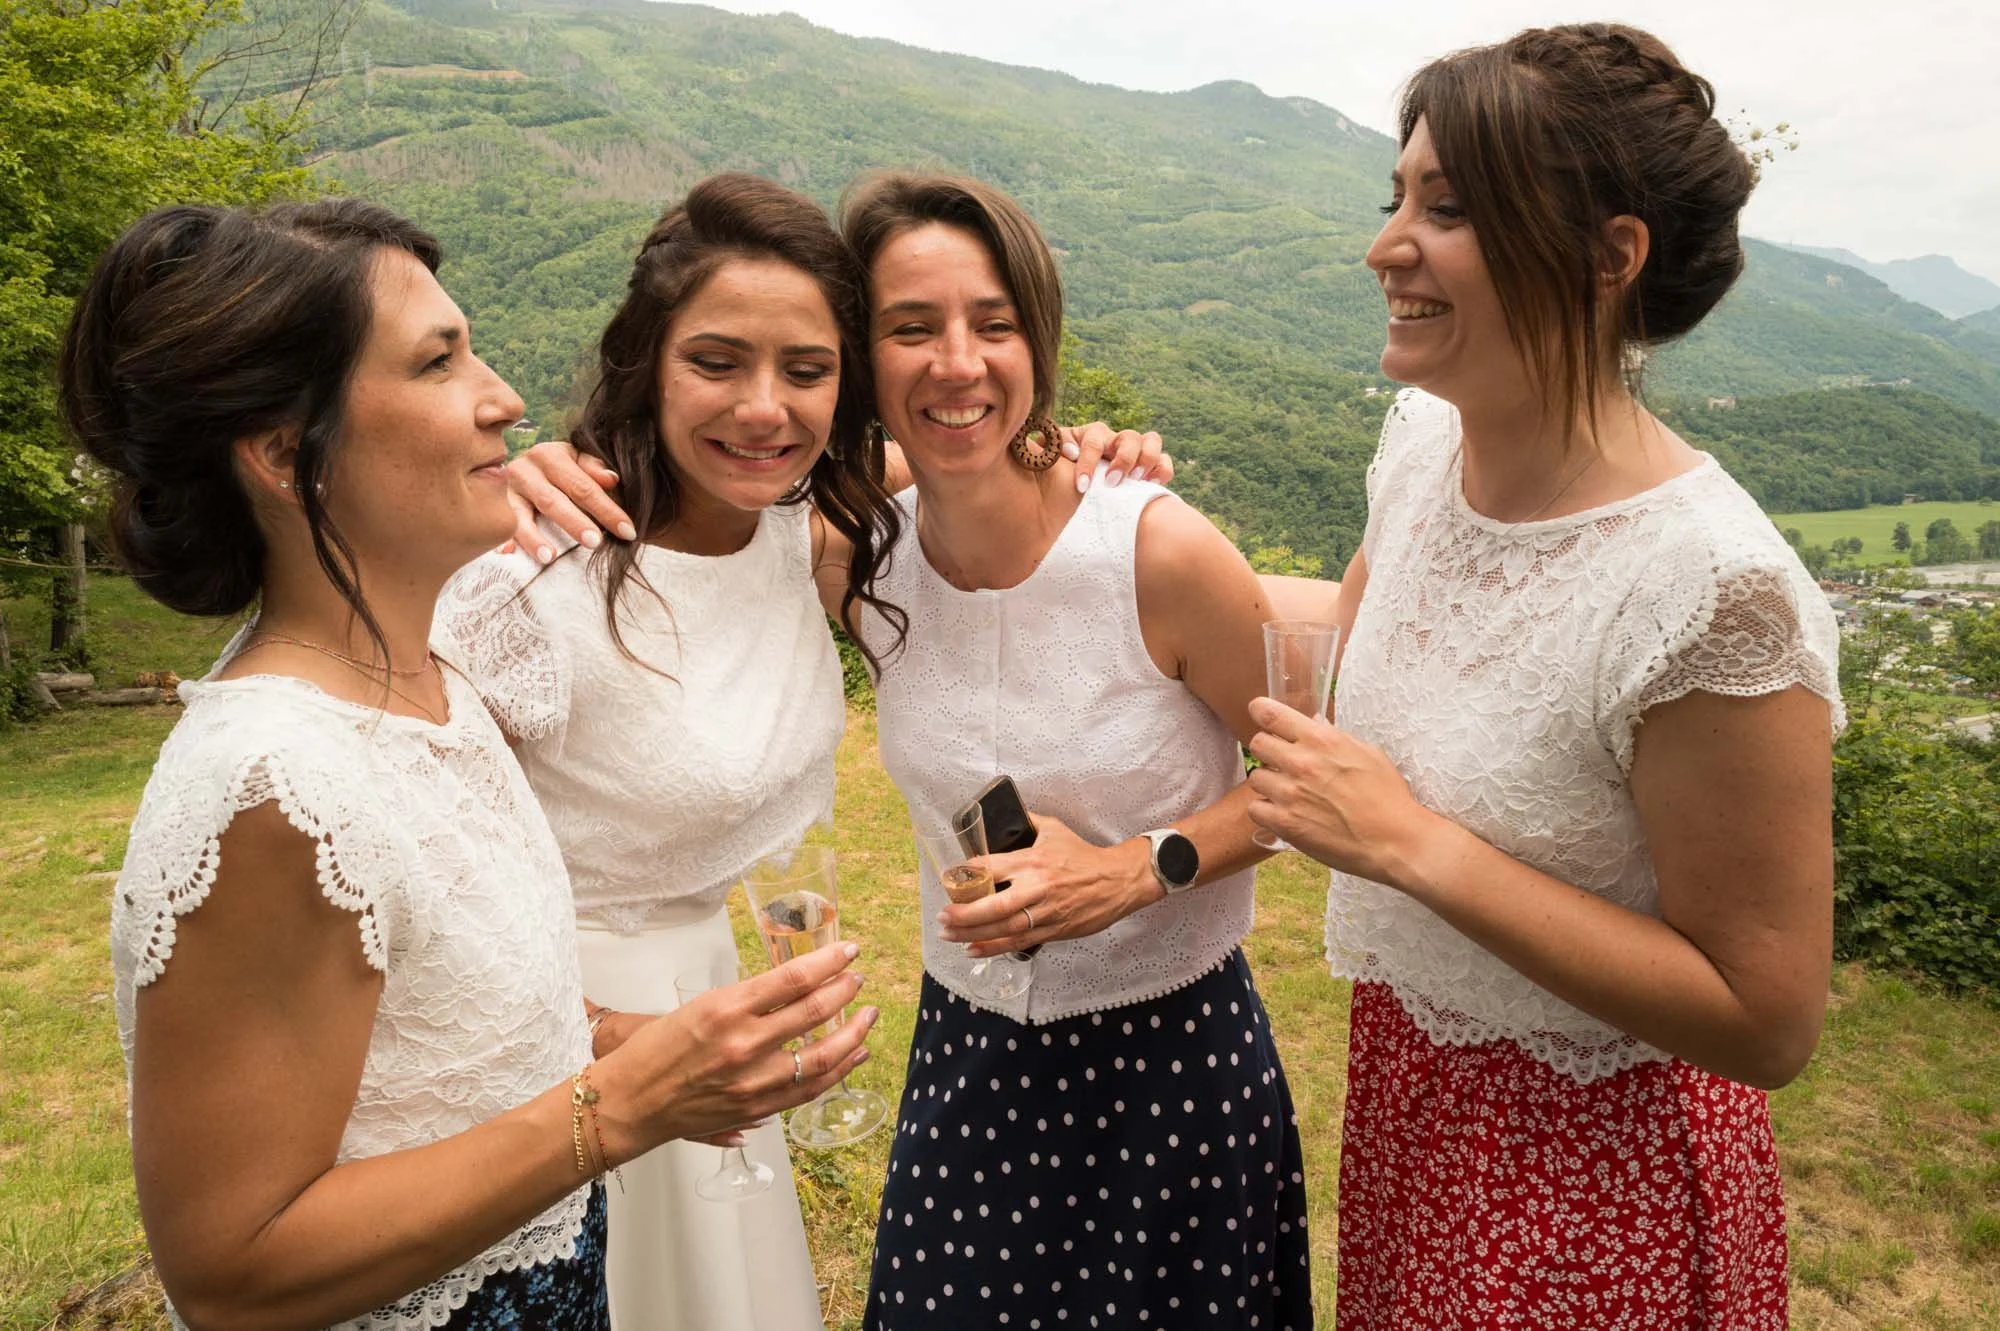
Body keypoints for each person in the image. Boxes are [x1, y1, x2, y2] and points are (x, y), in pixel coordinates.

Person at [65, 198, 874, 1330]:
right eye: (440, 363)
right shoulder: (271, 785)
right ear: (288, 455)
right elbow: (228, 1270)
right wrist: (622, 1099)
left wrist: (636, 1043)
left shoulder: (429, 697)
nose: (503, 398)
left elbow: (459, 1023)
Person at [452, 173, 1174, 1330]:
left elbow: (975, 463)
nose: (763, 409)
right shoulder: (534, 574)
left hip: (717, 1015)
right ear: (646, 360)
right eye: (716, 361)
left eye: (804, 369)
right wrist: (601, 1036)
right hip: (557, 1041)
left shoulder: (800, 529)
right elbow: (418, 879)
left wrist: (1078, 449)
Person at [1243, 24, 1840, 1328]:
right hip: (1412, 1102)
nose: (1385, 243)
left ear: (1609, 255)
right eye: (1395, 196)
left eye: (1446, 206)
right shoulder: (1418, 448)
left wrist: (1411, 843)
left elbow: (1768, 1015)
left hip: (1595, 1177)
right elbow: (1355, 632)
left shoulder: (1712, 591)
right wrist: (1100, 523)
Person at [841, 173, 1312, 1331]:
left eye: (992, 324)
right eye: (910, 327)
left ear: (1036, 342)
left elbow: (1306, 783)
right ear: (858, 356)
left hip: (1173, 1071)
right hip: (967, 1056)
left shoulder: (1155, 550)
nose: (957, 361)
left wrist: (1138, 866)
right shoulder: (854, 557)